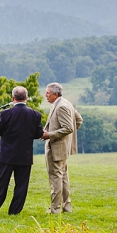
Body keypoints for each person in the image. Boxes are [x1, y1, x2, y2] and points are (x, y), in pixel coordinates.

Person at [0, 87, 44, 215]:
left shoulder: (6, 113)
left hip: (6, 155)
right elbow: (38, 133)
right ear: (26, 98)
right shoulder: (35, 115)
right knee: (21, 185)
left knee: (0, 184)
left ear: (13, 98)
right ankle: (14, 211)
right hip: (24, 155)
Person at [41, 82, 83, 213]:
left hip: (57, 148)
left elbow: (69, 127)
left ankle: (55, 208)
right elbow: (78, 120)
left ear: (55, 94)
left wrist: (50, 135)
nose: (45, 96)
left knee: (55, 177)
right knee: (63, 176)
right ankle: (66, 206)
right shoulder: (66, 103)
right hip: (62, 147)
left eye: (47, 93)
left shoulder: (61, 107)